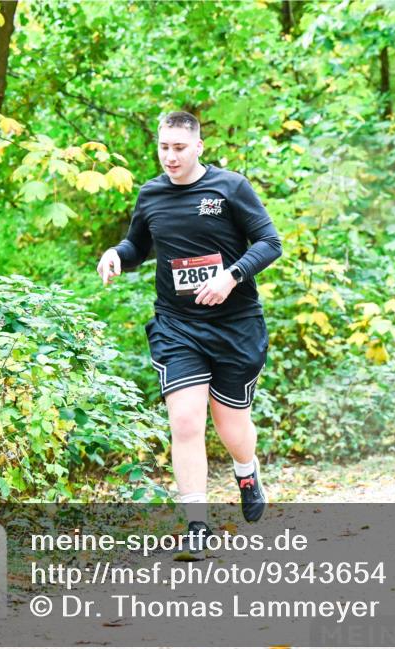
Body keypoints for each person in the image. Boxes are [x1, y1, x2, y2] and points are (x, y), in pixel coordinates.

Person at [96, 111, 282, 560]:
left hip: (235, 325)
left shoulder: (230, 188)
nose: (170, 156)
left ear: (199, 147)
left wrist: (231, 277)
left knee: (231, 424)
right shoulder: (152, 194)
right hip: (178, 326)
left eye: (179, 148)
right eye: (164, 147)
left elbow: (270, 242)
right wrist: (116, 254)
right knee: (184, 421)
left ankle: (246, 470)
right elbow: (138, 245)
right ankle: (196, 525)